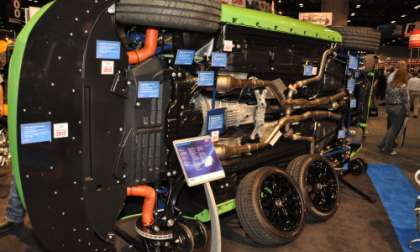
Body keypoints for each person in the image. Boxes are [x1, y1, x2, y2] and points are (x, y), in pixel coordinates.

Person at [378, 61, 410, 156]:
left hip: (389, 108)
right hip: (399, 109)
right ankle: (388, 149)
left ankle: (382, 144)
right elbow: (406, 101)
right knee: (394, 130)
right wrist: (408, 111)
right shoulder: (403, 87)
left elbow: (385, 96)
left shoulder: (390, 85)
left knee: (391, 128)